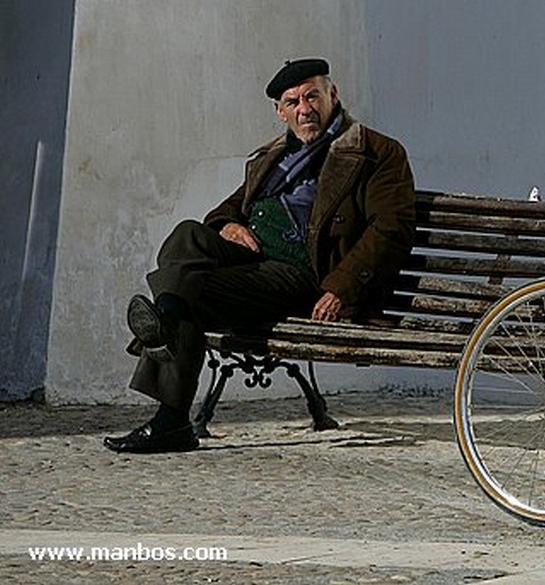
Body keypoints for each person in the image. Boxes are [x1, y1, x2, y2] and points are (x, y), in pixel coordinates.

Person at [103, 58, 416, 454]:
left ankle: (171, 417)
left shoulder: (375, 151)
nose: (305, 108)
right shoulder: (273, 157)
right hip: (251, 260)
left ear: (332, 95)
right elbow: (226, 210)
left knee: (190, 294)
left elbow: (390, 229)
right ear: (280, 111)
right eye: (293, 101)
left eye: (312, 96)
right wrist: (228, 226)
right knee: (188, 236)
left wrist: (341, 287)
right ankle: (165, 317)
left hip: (303, 274)